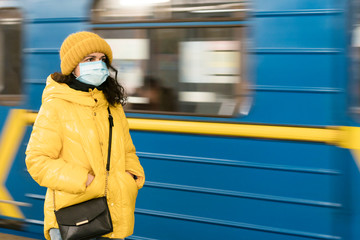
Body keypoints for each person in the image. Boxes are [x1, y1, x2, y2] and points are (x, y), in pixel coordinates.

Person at [25, 31, 145, 240]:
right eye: (89, 59)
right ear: (73, 66)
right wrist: (85, 180)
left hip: (113, 215)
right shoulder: (56, 105)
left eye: (102, 59)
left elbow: (127, 150)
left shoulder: (112, 104)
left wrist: (130, 176)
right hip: (74, 217)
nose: (98, 65)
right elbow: (38, 161)